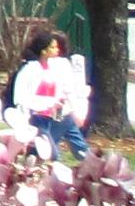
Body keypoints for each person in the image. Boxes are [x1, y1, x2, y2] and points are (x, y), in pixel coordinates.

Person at [9, 26, 89, 162]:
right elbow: (22, 98)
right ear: (44, 50)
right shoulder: (30, 70)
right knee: (51, 154)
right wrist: (47, 104)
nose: (57, 50)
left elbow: (66, 90)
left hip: (58, 116)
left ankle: (95, 167)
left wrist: (74, 111)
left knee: (81, 149)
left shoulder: (56, 67)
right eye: (53, 47)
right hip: (39, 118)